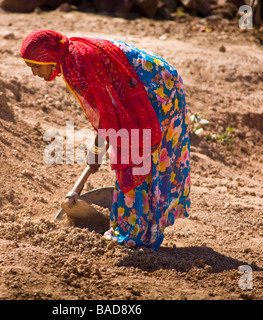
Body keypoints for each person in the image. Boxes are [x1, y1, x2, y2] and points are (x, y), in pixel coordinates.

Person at [20, 29, 190, 251]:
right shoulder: (69, 54)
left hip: (157, 91)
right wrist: (97, 149)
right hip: (151, 85)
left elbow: (110, 113)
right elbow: (108, 108)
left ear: (49, 57)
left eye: (36, 66)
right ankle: (140, 228)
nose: (34, 73)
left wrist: (97, 149)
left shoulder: (76, 64)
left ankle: (133, 234)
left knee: (134, 155)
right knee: (132, 151)